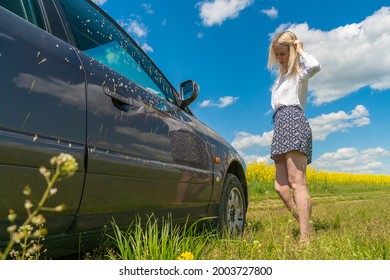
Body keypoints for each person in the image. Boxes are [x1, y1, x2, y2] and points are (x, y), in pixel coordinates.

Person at [267, 31, 321, 243]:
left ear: (291, 50)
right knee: (280, 187)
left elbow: (315, 65)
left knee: (297, 182)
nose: (280, 59)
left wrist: (300, 49)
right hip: (280, 124)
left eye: (282, 54)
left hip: (294, 121)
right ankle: (305, 222)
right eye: (277, 55)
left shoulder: (300, 71)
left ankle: (305, 238)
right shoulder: (280, 77)